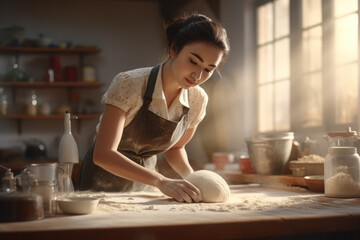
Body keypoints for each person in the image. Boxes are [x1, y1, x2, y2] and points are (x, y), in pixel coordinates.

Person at [75, 13, 230, 203]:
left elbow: (176, 147)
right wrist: (162, 181)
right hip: (99, 187)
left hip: (146, 189)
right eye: (193, 61)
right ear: (174, 49)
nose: (197, 75)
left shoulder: (197, 99)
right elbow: (103, 154)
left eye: (208, 69)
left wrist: (193, 181)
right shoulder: (130, 84)